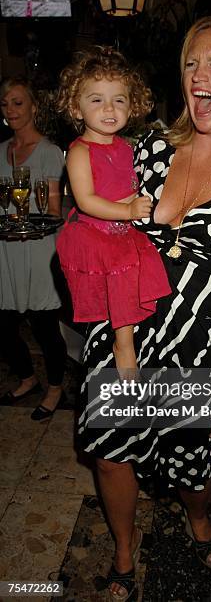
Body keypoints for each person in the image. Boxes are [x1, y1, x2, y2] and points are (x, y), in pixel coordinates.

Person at [78, 16, 211, 601]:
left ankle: (199, 518)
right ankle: (123, 553)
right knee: (111, 455)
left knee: (190, 471)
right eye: (191, 64)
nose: (198, 76)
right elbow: (98, 214)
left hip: (191, 351)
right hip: (121, 331)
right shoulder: (149, 147)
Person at [56, 47, 171, 377]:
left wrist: (142, 202)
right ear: (76, 108)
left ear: (131, 106)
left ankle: (133, 341)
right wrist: (127, 208)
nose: (109, 108)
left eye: (119, 99)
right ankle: (125, 353)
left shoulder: (126, 147)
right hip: (95, 235)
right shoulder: (79, 151)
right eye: (96, 99)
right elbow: (86, 200)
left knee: (143, 278)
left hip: (122, 232)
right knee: (124, 287)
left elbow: (129, 187)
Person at [0, 77, 67, 421]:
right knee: (4, 325)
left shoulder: (50, 152)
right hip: (5, 250)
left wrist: (30, 222)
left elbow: (54, 211)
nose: (10, 109)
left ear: (33, 107)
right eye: (5, 104)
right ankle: (27, 378)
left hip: (39, 250)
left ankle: (55, 387)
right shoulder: (0, 151)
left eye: (18, 102)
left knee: (43, 326)